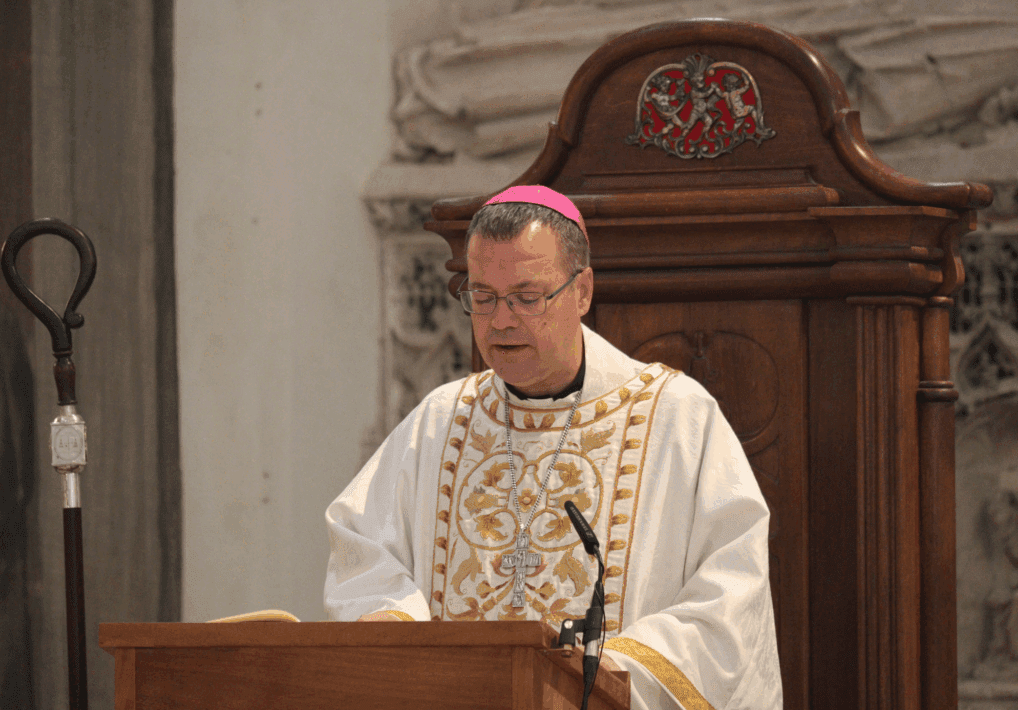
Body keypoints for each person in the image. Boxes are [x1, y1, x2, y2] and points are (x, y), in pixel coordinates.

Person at [324, 185, 783, 710]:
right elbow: (362, 546)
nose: (500, 321)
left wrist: (601, 673)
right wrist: (396, 624)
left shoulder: (678, 418)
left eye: (526, 296)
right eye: (483, 296)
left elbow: (730, 594)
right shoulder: (441, 420)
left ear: (582, 291)